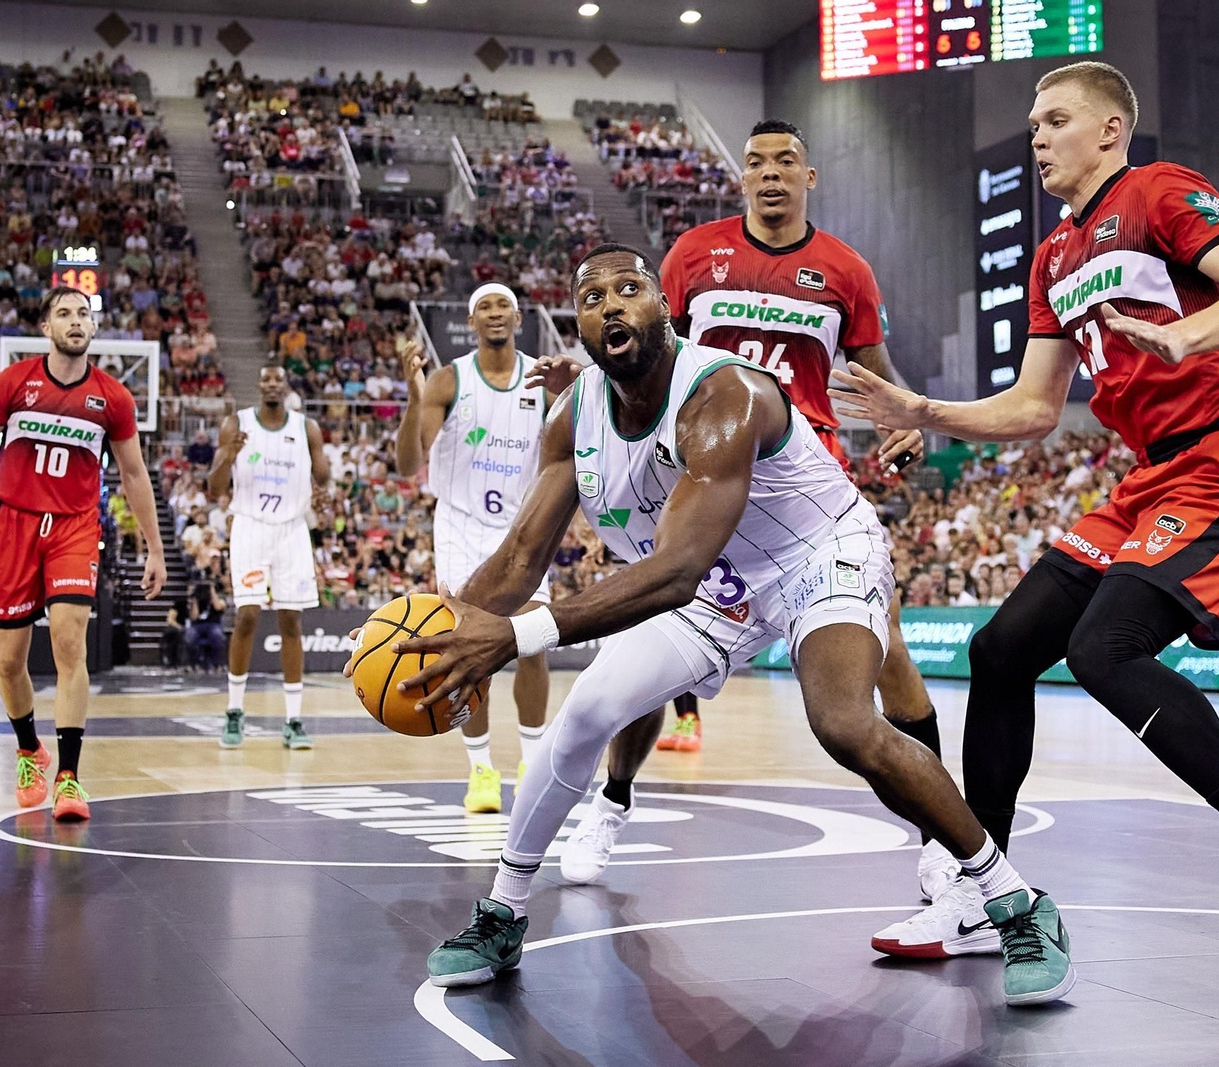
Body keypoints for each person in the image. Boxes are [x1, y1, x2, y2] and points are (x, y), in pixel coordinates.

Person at [373, 245, 1068, 1004]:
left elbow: (673, 570)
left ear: (663, 307)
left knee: (841, 721)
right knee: (590, 712)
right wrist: (448, 634)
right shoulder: (572, 415)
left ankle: (1015, 901)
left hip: (814, 553)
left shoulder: (723, 392)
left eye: (629, 288)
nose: (611, 304)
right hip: (719, 585)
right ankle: (503, 911)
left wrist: (511, 636)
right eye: (592, 294)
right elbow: (518, 558)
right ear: (576, 322)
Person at [829, 62, 1219, 985]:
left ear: (1110, 130)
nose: (1036, 135)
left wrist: (1186, 335)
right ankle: (981, 887)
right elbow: (1036, 409)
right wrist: (922, 409)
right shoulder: (1053, 256)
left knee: (1106, 649)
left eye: (1055, 119)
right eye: (1033, 123)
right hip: (1146, 480)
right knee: (1000, 652)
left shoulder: (1159, 192)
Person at [561, 117, 958, 903]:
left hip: (804, 496)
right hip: (698, 483)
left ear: (810, 178)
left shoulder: (846, 269)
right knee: (648, 656)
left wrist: (903, 420)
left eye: (786, 162)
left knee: (891, 661)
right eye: (755, 163)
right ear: (739, 178)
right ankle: (610, 803)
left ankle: (943, 842)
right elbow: (633, 346)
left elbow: (872, 369)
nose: (770, 173)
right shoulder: (690, 258)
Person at [0, 287, 166, 821]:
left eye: (83, 314)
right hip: (13, 526)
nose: (75, 321)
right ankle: (29, 750)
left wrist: (155, 547)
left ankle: (68, 778)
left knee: (70, 647)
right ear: (46, 328)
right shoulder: (13, 383)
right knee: (7, 662)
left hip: (74, 527)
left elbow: (134, 474)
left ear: (93, 328)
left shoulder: (114, 398)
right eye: (64, 313)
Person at [395, 284, 553, 814]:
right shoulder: (448, 379)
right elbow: (407, 465)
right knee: (470, 647)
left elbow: (570, 451)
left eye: (502, 306)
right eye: (484, 306)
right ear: (471, 319)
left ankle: (532, 762)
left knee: (532, 641)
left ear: (516, 317)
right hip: (462, 524)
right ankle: (482, 769)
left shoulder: (541, 380)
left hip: (521, 523)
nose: (494, 314)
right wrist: (415, 398)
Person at [207, 365, 330, 749]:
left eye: (279, 379)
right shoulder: (236, 424)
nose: (272, 385)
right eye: (266, 380)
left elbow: (324, 476)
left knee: (292, 621)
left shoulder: (306, 427)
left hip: (292, 529)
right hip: (250, 526)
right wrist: (227, 456)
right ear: (259, 386)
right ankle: (234, 711)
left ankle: (293, 720)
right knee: (247, 616)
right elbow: (214, 490)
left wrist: (322, 485)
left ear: (286, 386)